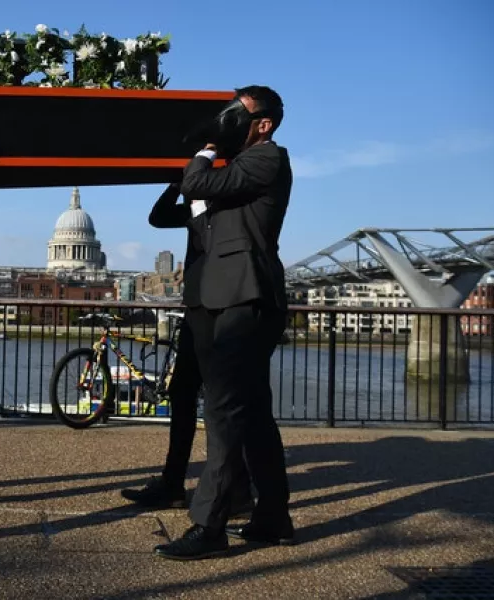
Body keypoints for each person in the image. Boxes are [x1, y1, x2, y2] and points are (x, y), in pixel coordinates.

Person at [154, 85, 295, 561]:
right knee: (252, 413)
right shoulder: (236, 172)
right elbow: (180, 206)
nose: (229, 120)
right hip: (225, 298)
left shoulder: (268, 158)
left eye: (238, 113)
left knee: (222, 409)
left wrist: (205, 148)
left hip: (247, 297)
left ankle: (209, 526)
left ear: (264, 124)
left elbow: (197, 184)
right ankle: (272, 518)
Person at [120, 183, 254, 515]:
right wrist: (178, 184)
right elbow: (158, 216)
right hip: (197, 309)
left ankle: (233, 491)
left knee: (219, 401)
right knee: (183, 393)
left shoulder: (226, 211)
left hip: (218, 309)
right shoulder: (198, 211)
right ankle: (174, 483)